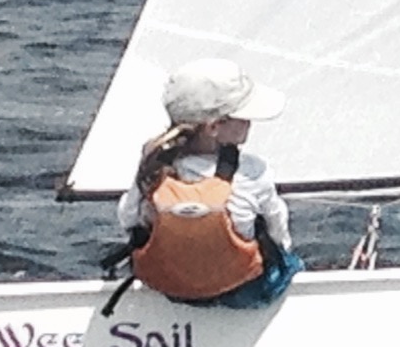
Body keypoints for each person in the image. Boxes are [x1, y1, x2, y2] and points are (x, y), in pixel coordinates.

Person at [118, 59, 299, 308]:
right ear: (213, 127)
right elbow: (278, 230)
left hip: (170, 285)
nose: (249, 122)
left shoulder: (153, 166)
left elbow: (128, 217)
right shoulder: (253, 171)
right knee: (287, 263)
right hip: (240, 285)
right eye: (243, 117)